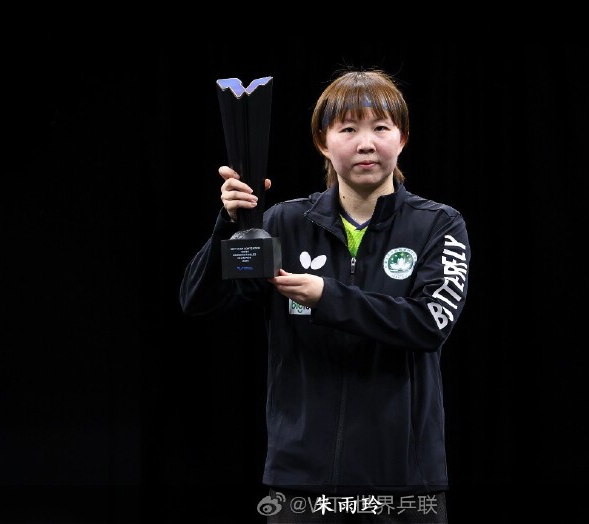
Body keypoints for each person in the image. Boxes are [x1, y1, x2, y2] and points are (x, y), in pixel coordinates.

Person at [180, 69, 470, 523]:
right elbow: (199, 301)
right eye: (348, 129)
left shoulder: (438, 224)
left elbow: (429, 323)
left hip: (404, 480)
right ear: (322, 141)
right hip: (301, 480)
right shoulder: (282, 222)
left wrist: (327, 296)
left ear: (403, 137)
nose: (366, 144)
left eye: (381, 127)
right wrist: (230, 224)